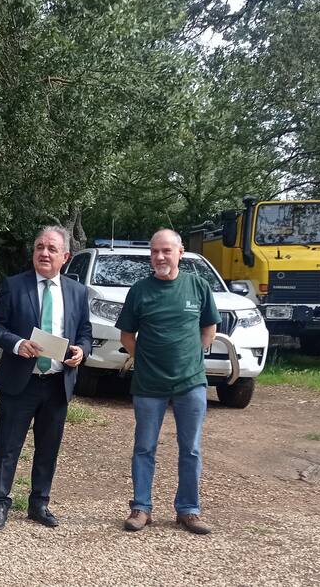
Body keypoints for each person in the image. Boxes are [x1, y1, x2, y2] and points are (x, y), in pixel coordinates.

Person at [0, 226, 92, 531]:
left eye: (51, 249)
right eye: (39, 247)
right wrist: (18, 344)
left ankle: (39, 503)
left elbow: (85, 333)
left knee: (48, 447)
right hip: (21, 381)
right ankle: (0, 504)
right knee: (7, 446)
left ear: (65, 256)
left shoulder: (77, 291)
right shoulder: (14, 286)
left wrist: (80, 352)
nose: (44, 253)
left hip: (57, 382)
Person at [115, 228, 218, 535]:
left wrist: (188, 358)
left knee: (191, 449)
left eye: (166, 251)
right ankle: (141, 508)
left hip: (191, 383)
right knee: (144, 447)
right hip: (148, 385)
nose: (159, 257)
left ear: (180, 254)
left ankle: (188, 510)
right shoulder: (139, 290)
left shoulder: (198, 286)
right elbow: (126, 336)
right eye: (155, 252)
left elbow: (209, 329)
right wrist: (147, 360)